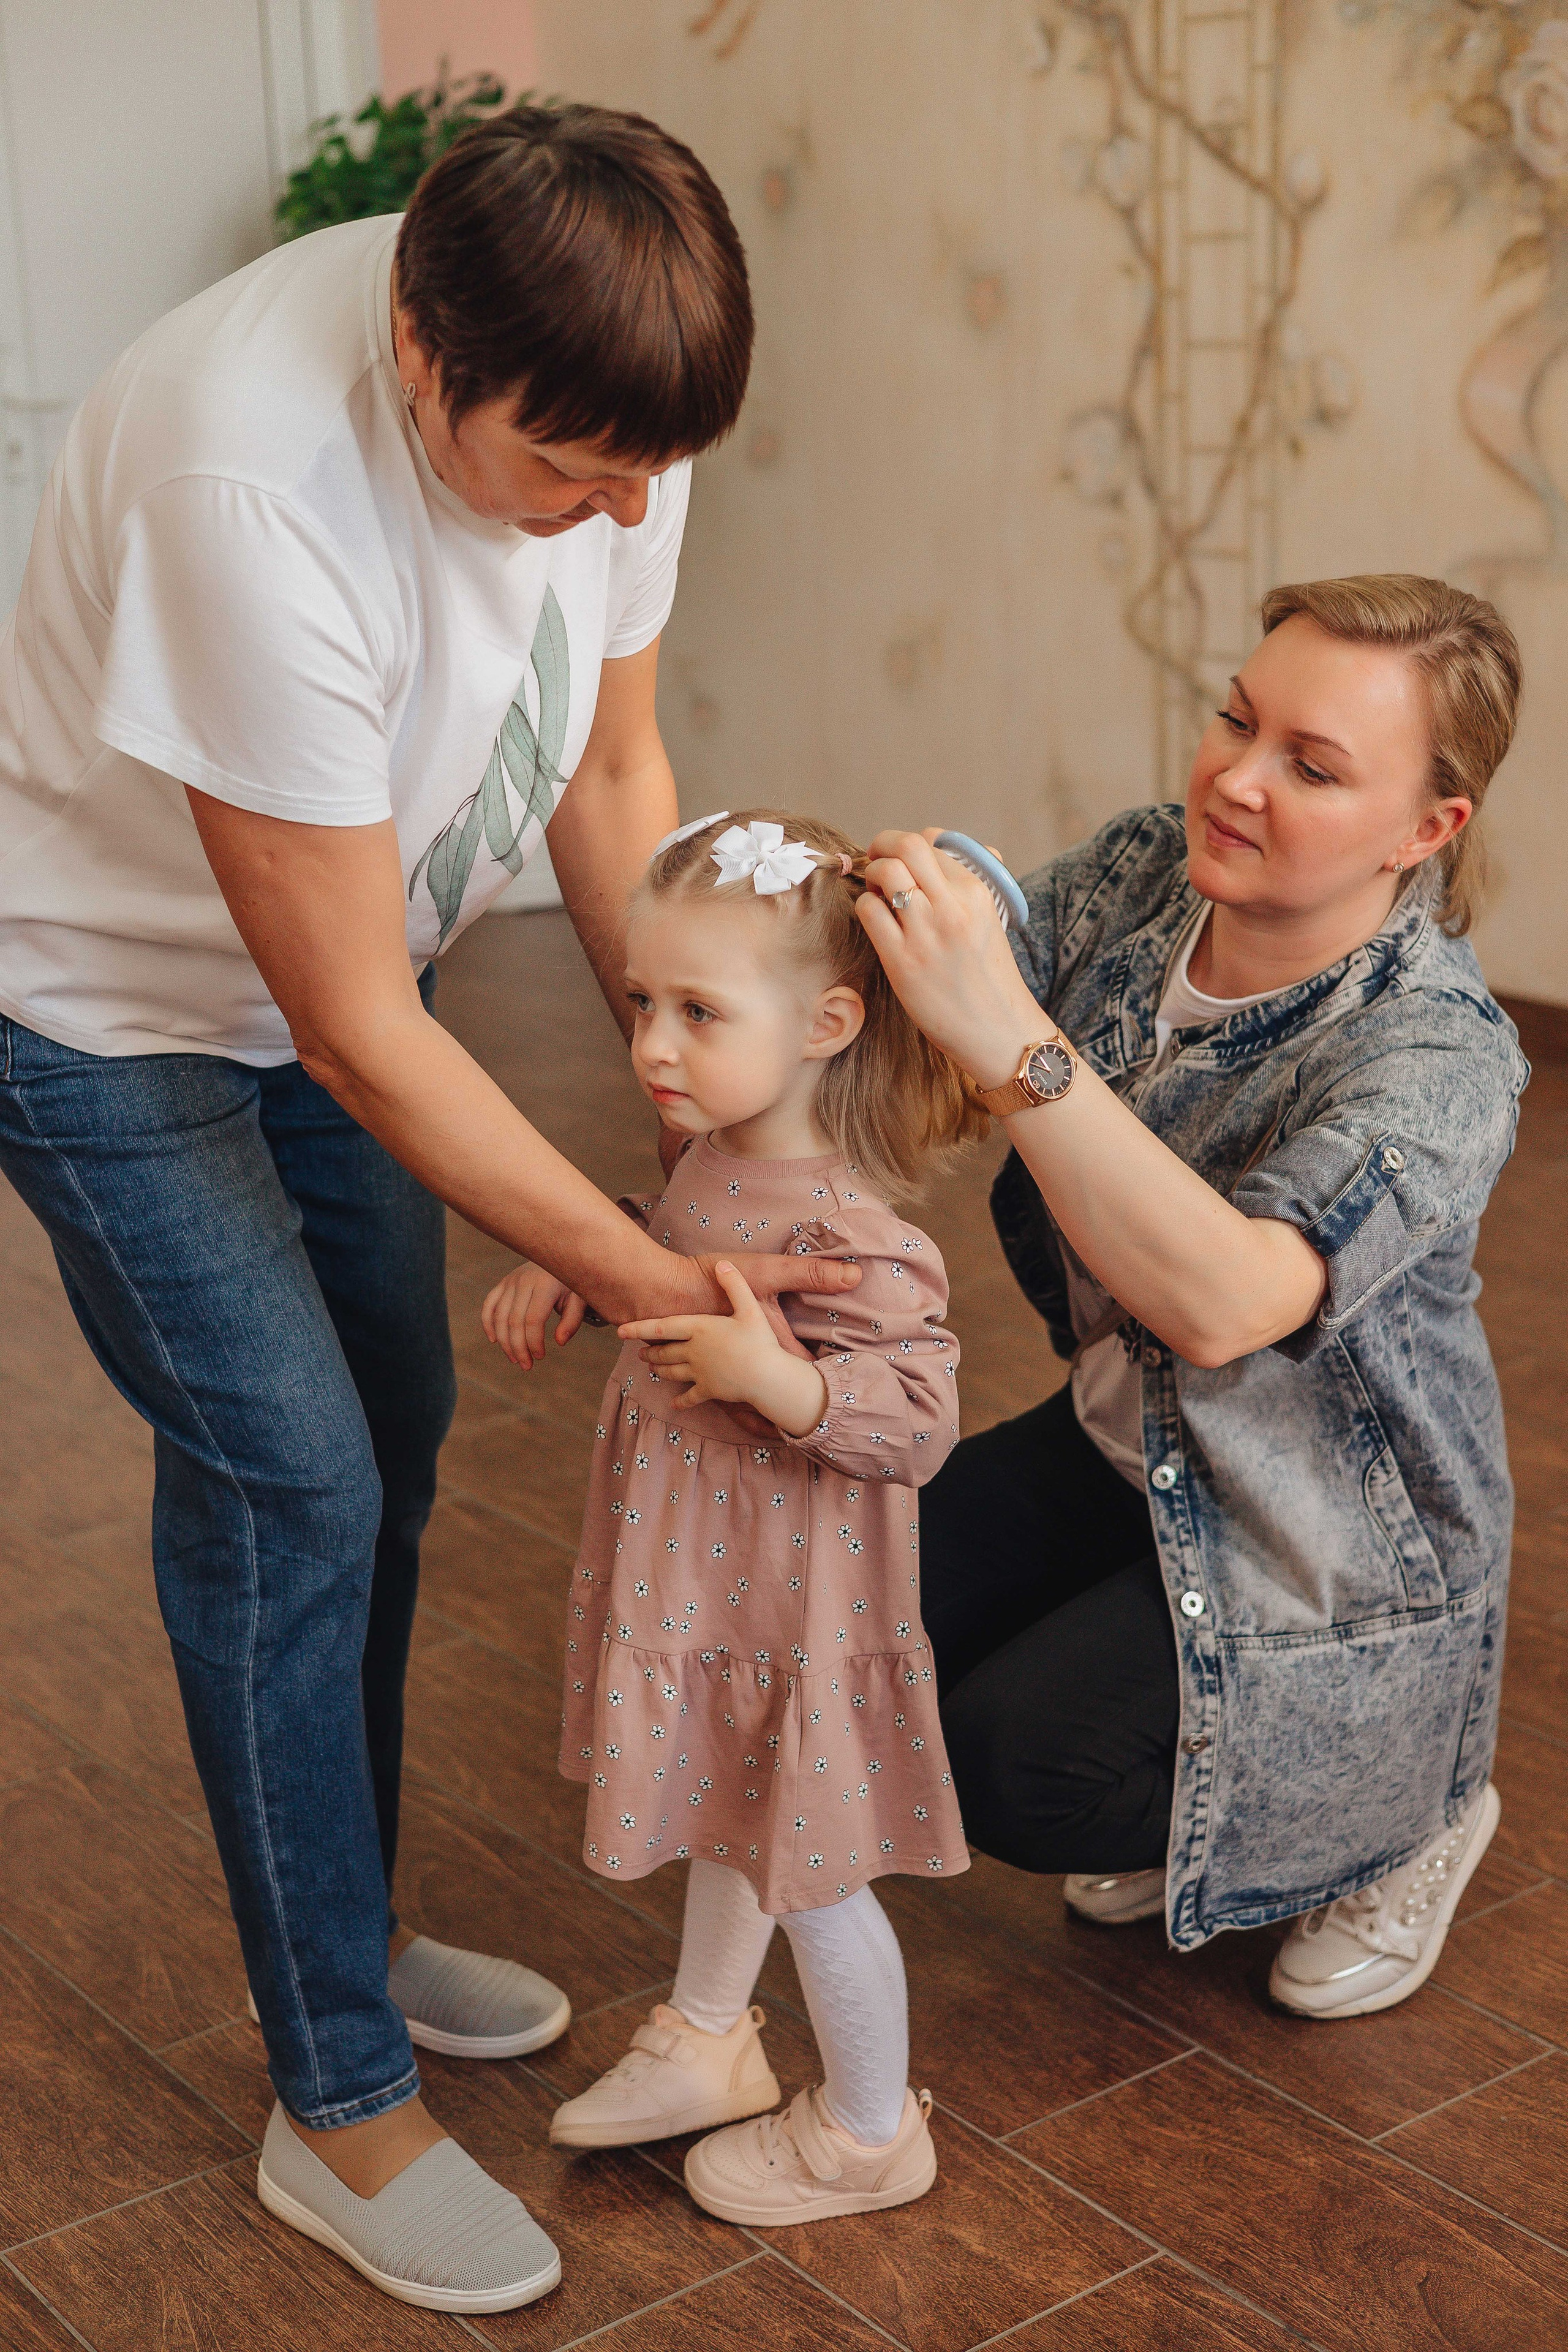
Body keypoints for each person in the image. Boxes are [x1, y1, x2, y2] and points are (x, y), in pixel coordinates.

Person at [0, 108, 862, 2313]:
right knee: (288, 1476)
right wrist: (663, 1274)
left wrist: (708, 1127)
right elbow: (365, 1033)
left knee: (391, 1440)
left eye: (653, 469)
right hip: (102, 1008)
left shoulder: (608, 372)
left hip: (337, 993)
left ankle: (342, 1902)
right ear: (415, 354)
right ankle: (338, 2097)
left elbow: (610, 776)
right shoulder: (246, 478)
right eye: (575, 471)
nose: (628, 512)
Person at [854, 575, 1526, 2017]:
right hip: (1134, 1438)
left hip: (1326, 1536)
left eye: (1311, 765)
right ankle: (1232, 1807)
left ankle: (1407, 1807)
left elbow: (1227, 1304)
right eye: (1237, 720)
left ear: (1426, 829)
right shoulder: (1150, 871)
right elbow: (954, 985)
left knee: (1006, 1769)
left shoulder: (1437, 1057)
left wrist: (1016, 1045)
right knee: (845, 1610)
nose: (1234, 778)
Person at [484, 810, 982, 2223]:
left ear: (828, 1020)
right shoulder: (710, 1170)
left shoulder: (855, 1229)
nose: (651, 1042)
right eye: (645, 1002)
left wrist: (786, 1385)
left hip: (794, 1611)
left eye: (698, 1010)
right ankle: (708, 2040)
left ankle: (875, 2129)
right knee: (722, 1807)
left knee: (811, 1868)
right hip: (701, 1589)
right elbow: (677, 1260)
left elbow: (918, 1419)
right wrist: (590, 1265)